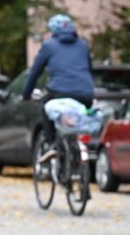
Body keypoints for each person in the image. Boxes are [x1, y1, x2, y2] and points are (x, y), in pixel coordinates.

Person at [21, 14, 94, 161]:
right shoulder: (83, 45)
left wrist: (26, 95)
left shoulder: (49, 45)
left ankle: (51, 144)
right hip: (86, 95)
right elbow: (89, 70)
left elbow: (34, 73)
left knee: (45, 107)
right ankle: (80, 146)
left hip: (60, 93)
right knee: (79, 121)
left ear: (53, 30)